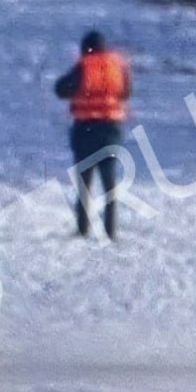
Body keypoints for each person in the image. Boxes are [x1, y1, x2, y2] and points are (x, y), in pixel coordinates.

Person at [55, 31, 131, 240]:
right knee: (109, 182)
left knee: (85, 181)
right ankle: (110, 230)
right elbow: (126, 92)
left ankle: (83, 228)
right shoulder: (118, 67)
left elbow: (62, 89)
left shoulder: (83, 66)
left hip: (86, 130)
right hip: (111, 129)